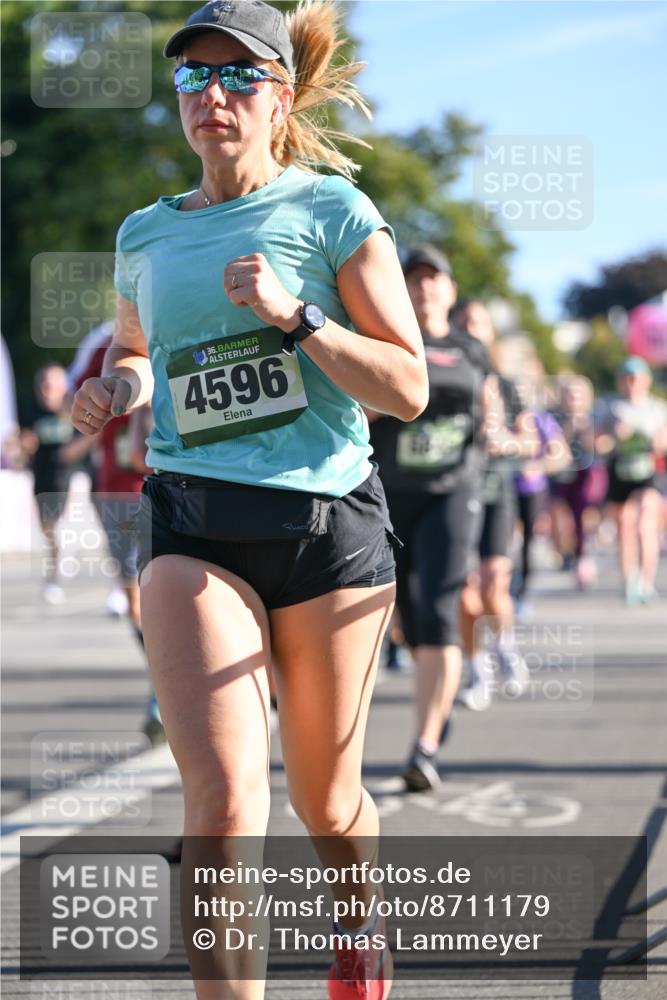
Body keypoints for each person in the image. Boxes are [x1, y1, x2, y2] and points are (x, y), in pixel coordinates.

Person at [72, 3, 428, 998]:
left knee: (329, 801)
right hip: (193, 522)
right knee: (222, 804)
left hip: (327, 534)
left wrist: (297, 315)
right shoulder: (144, 232)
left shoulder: (334, 212)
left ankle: (360, 928)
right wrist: (118, 387)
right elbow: (142, 353)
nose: (211, 96)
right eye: (192, 78)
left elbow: (406, 387)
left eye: (236, 77)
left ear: (280, 95)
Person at [368, 247, 492, 791]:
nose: (423, 289)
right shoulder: (383, 338)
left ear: (450, 288)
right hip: (389, 494)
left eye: (433, 279)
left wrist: (506, 434)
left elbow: (490, 410)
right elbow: (358, 403)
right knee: (403, 617)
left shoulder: (470, 349)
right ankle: (436, 703)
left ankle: (425, 746)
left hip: (452, 491)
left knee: (440, 608)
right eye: (413, 279)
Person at [454, 300, 536, 710]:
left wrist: (506, 441)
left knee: (494, 585)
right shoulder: (444, 374)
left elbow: (532, 440)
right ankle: (477, 669)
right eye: (464, 322)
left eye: (478, 323)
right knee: (466, 593)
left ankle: (505, 646)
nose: (471, 329)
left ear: (489, 333)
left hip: (495, 493)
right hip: (455, 494)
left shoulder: (504, 384)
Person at [595, 355, 667, 604]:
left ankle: (647, 582)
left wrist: (652, 441)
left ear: (645, 380)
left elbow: (663, 443)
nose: (631, 382)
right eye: (627, 378)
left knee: (645, 525)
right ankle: (630, 581)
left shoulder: (656, 408)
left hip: (646, 473)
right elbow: (598, 443)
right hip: (619, 472)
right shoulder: (609, 406)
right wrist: (615, 437)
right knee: (625, 528)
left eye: (636, 378)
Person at [549, 374, 607, 588]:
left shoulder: (594, 417)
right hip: (562, 473)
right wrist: (570, 425)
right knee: (562, 516)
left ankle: (585, 555)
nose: (574, 398)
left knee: (585, 514)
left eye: (578, 394)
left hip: (588, 471)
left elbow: (599, 443)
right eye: (570, 394)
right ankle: (568, 553)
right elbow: (552, 443)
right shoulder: (555, 418)